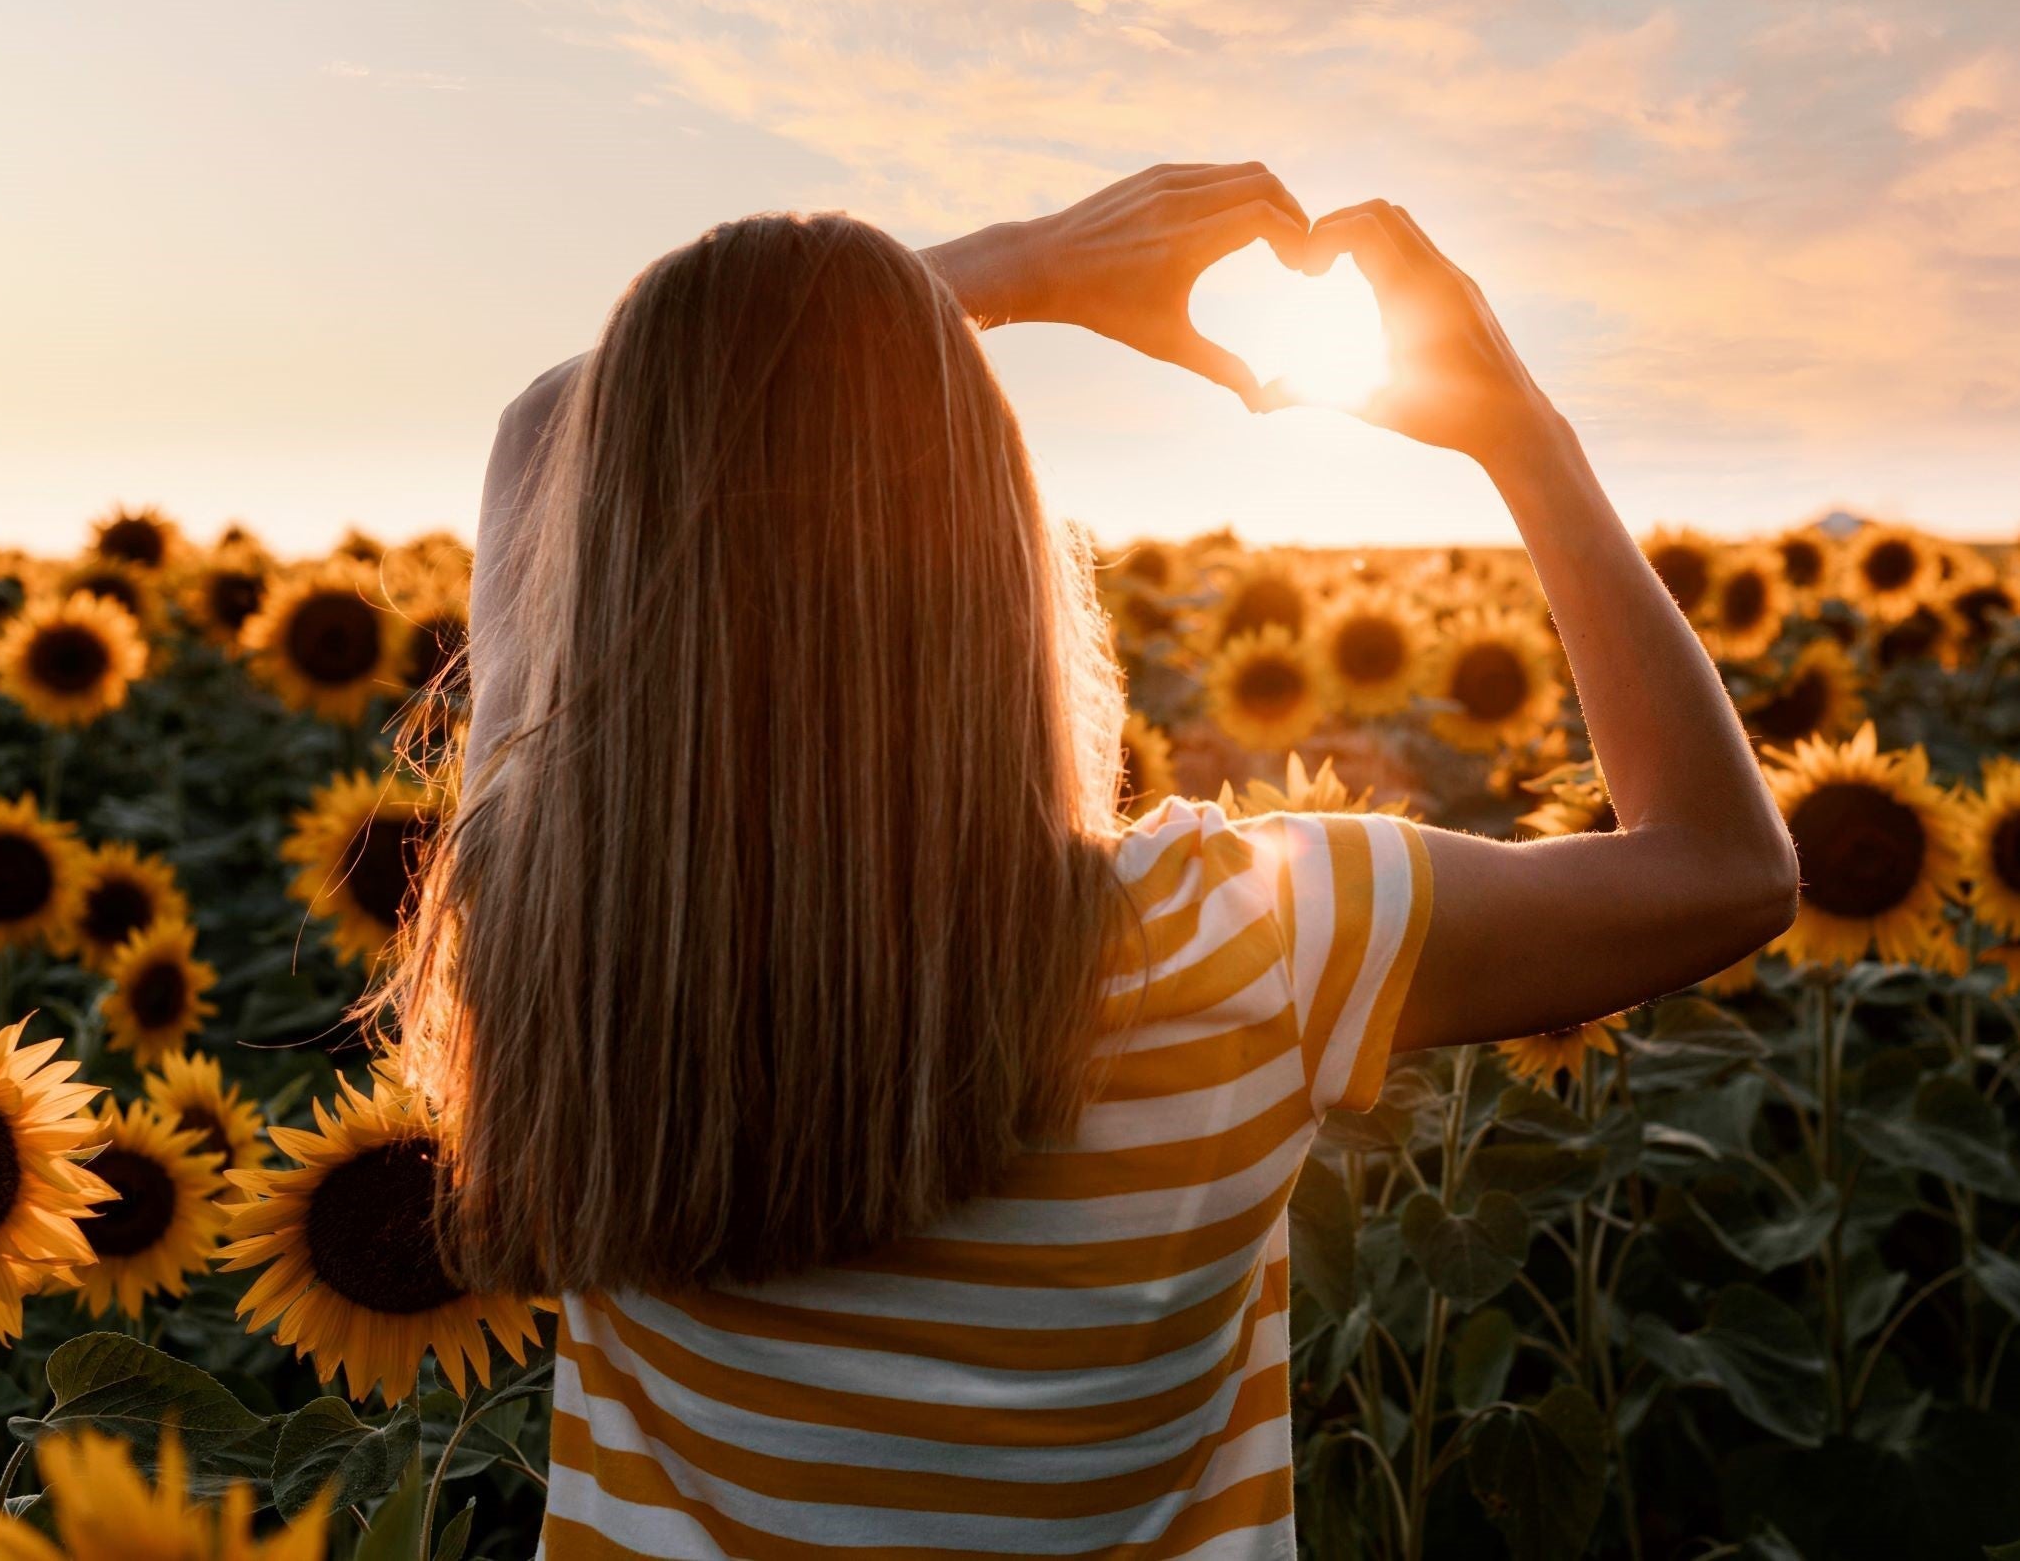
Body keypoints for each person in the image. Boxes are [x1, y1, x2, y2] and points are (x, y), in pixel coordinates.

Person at [393, 164, 1800, 1558]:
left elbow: (543, 425)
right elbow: (1721, 868)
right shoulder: (1237, 948)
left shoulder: (544, 923)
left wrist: (1012, 268)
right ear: (1000, 552)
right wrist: (1523, 437)